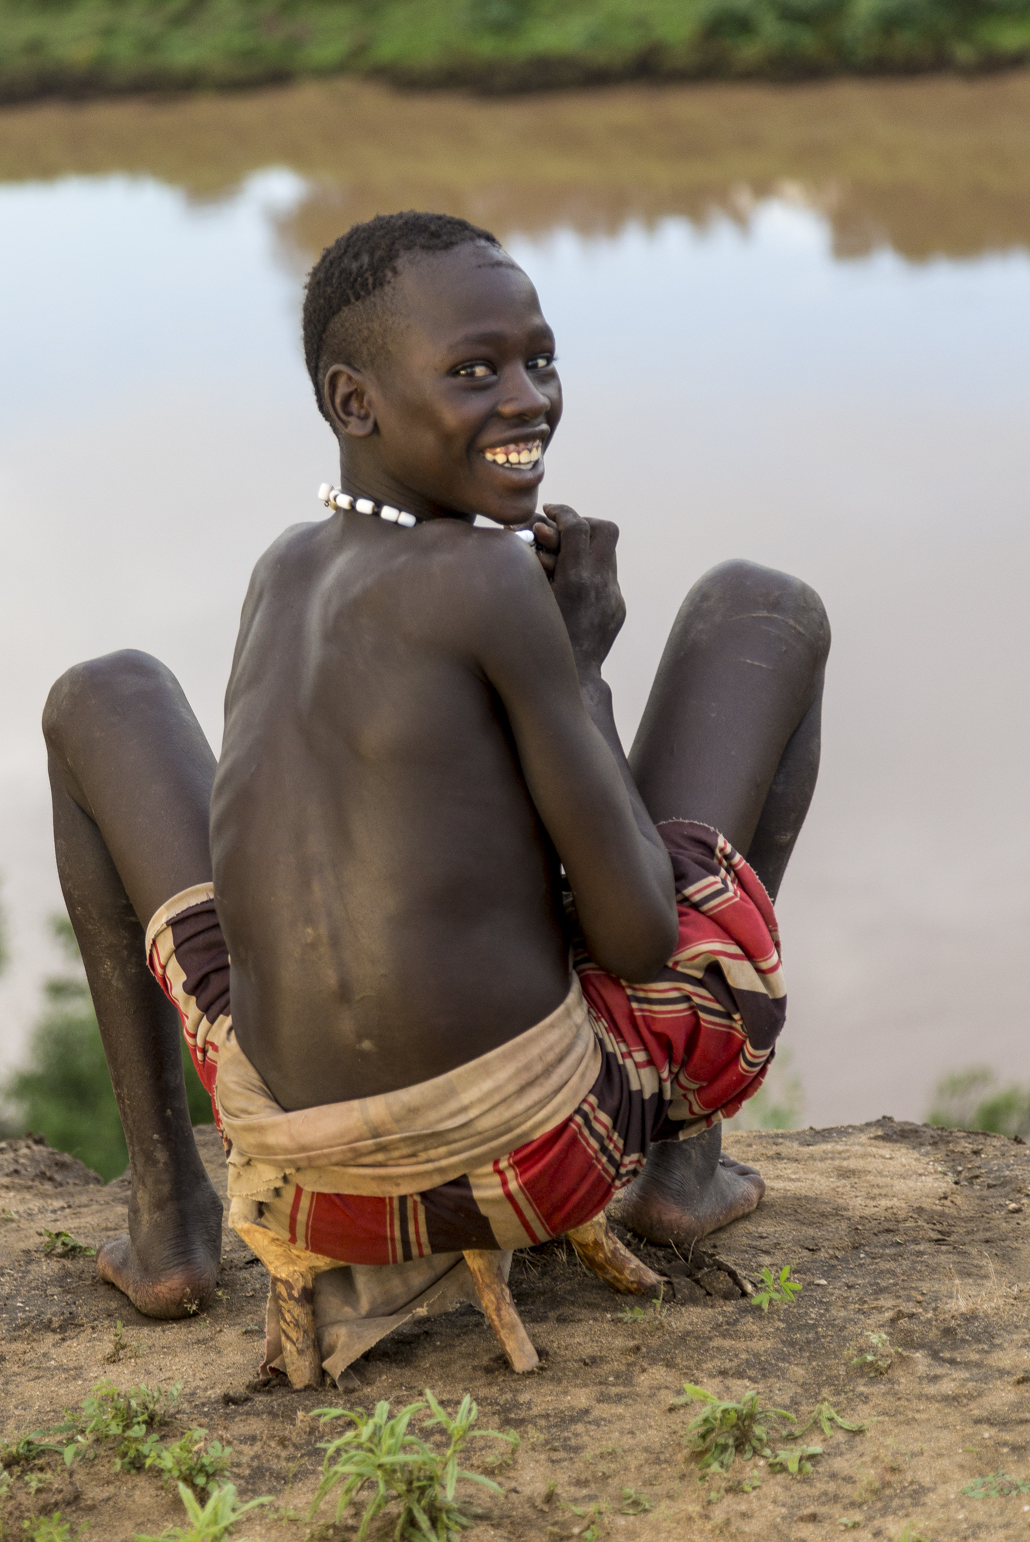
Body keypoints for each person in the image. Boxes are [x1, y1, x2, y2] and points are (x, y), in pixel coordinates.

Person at [42, 211, 829, 1323]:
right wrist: (582, 660)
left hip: (292, 1152)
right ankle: (681, 1171)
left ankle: (170, 1218)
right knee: (761, 605)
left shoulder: (282, 569)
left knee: (102, 693)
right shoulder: (488, 580)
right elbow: (635, 936)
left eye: (538, 358)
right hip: (517, 1147)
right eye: (474, 370)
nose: (527, 398)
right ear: (352, 401)